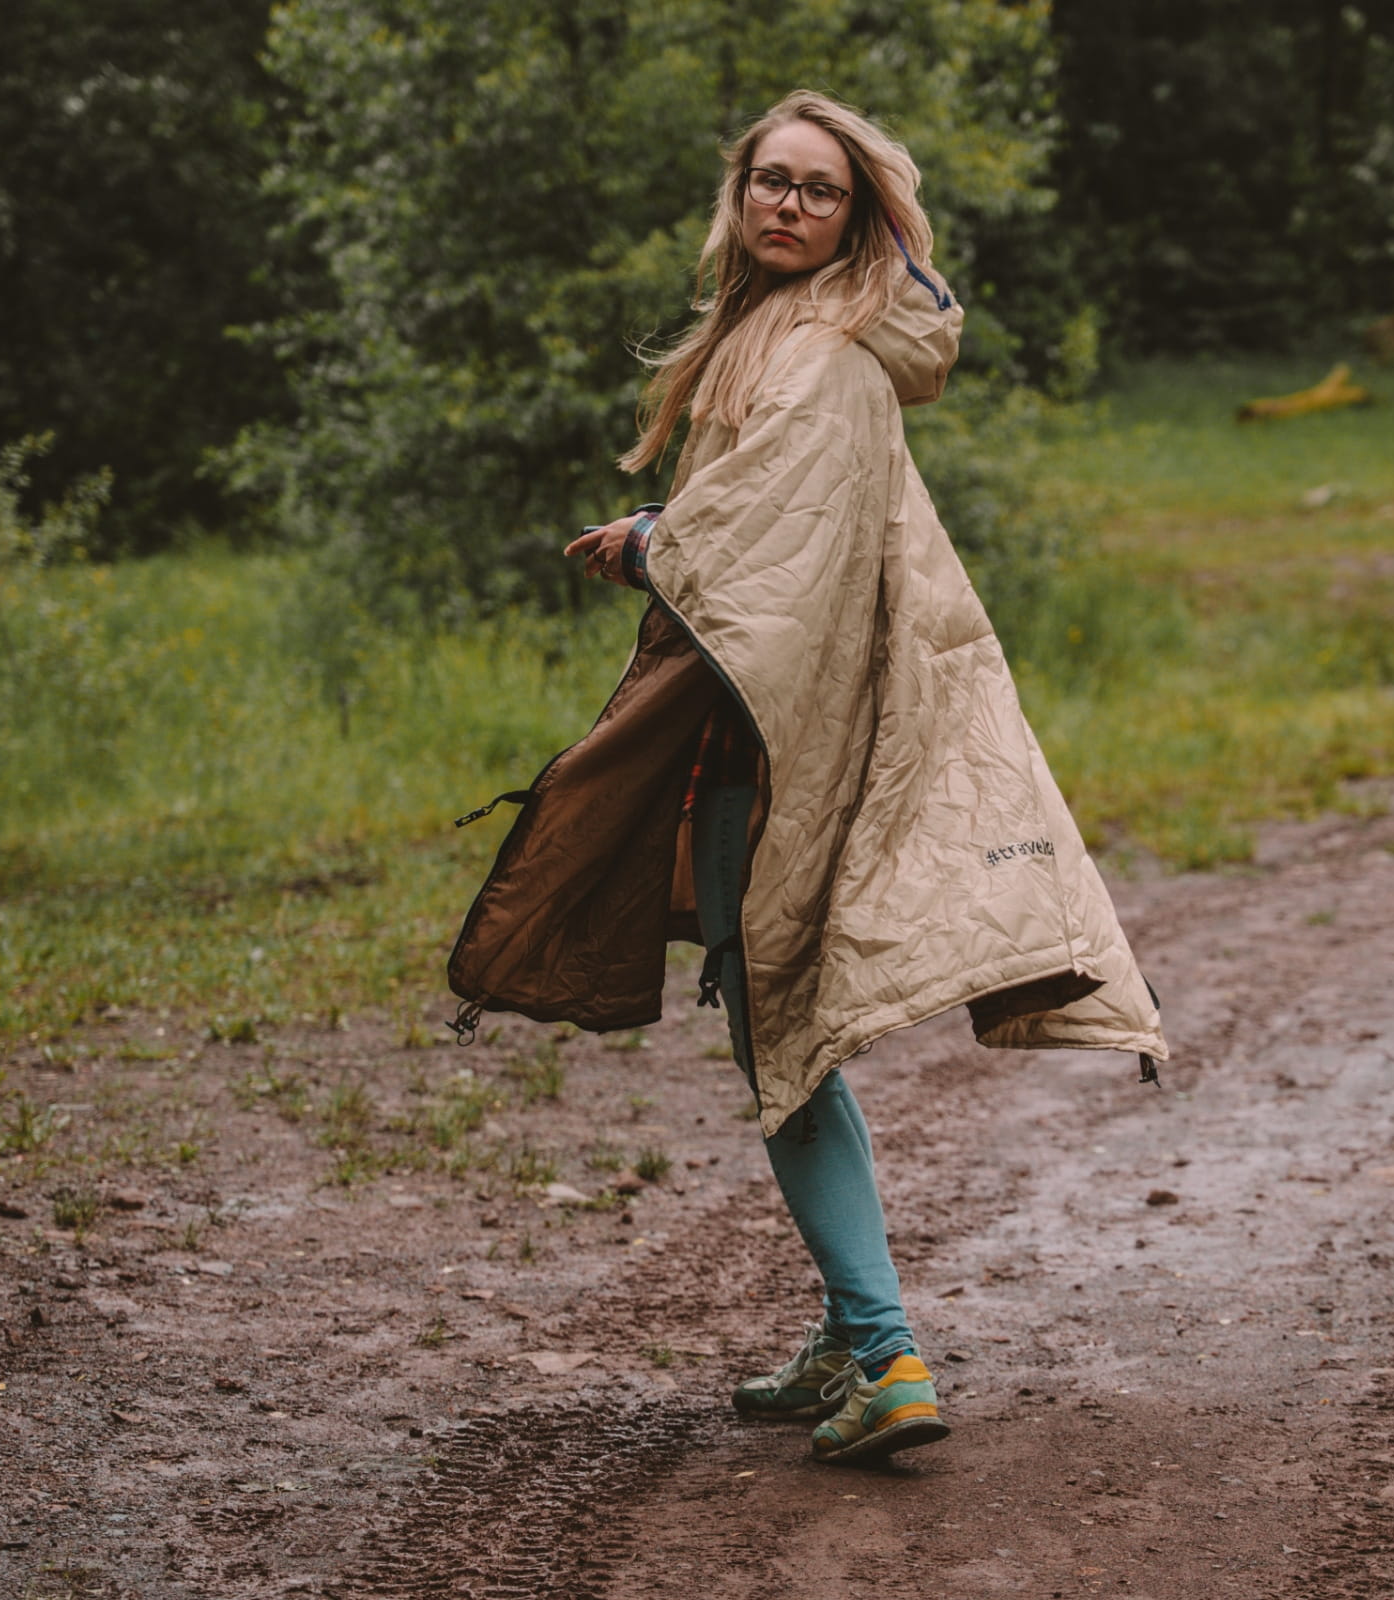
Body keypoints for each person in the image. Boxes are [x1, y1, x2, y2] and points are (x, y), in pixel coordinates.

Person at [447, 90, 1167, 1466]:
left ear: (858, 217)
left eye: (817, 189)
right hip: (770, 726)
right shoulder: (777, 332)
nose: (787, 204)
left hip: (773, 747)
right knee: (788, 1033)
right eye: (770, 181)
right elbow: (779, 515)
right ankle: (849, 1337)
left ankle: (886, 1353)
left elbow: (776, 543)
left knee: (782, 1040)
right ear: (741, 197)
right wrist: (672, 526)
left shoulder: (825, 353)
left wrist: (654, 543)